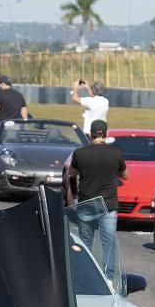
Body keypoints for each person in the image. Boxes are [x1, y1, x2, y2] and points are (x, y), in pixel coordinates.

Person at [65, 120, 126, 287]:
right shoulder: (116, 153)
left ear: (90, 134)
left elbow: (71, 175)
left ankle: (84, 275)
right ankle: (108, 278)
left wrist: (74, 194)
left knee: (85, 241)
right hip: (109, 203)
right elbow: (125, 175)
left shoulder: (80, 153)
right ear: (106, 134)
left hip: (87, 201)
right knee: (109, 241)